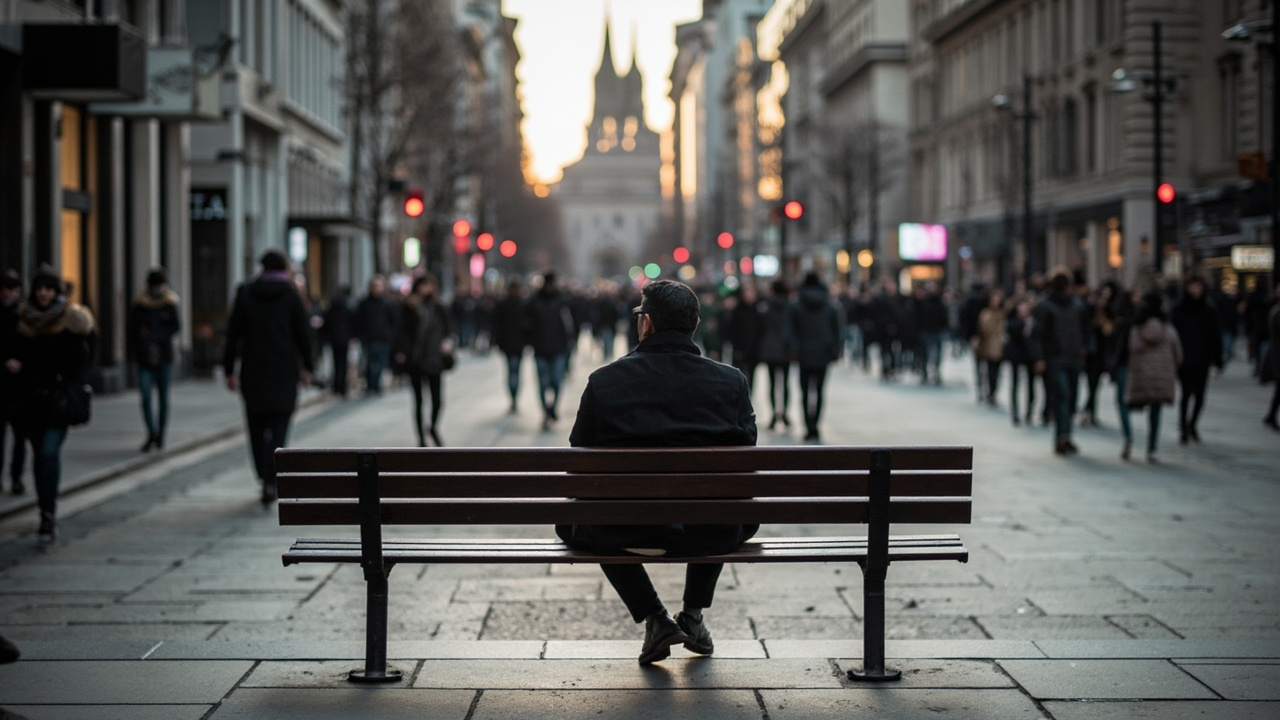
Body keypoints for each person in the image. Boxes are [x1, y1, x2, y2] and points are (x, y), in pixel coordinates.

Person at [561, 279, 756, 665]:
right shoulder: (730, 382)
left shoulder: (605, 382)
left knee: (583, 514)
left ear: (645, 325)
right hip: (711, 531)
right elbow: (744, 461)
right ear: (695, 325)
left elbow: (578, 460)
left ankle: (654, 616)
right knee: (720, 501)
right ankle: (693, 616)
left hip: (623, 528)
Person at [8, 267, 96, 545]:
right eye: (39, 288)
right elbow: (13, 350)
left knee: (48, 452)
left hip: (59, 400)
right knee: (38, 455)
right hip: (31, 400)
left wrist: (76, 386)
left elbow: (88, 355)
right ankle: (45, 511)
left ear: (57, 292)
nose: (43, 293)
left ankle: (49, 513)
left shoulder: (72, 321)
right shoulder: (24, 321)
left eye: (49, 288)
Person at [222, 249, 314, 504]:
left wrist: (229, 369)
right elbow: (304, 336)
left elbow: (233, 335)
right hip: (284, 372)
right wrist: (308, 367)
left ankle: (264, 475)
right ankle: (272, 479)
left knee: (256, 426)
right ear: (284, 269)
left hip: (253, 372)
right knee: (279, 428)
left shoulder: (246, 295)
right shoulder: (292, 297)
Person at [1029, 268, 1090, 455]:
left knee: (1070, 398)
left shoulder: (1076, 305)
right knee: (1063, 397)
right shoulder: (1046, 306)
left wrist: (1085, 348)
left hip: (1070, 357)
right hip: (1056, 358)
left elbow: (1085, 330)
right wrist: (1039, 358)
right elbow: (1037, 335)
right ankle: (1062, 435)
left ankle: (1066, 435)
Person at [393, 274, 455, 447]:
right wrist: (402, 352)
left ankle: (433, 427)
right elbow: (402, 331)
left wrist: (447, 343)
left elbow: (448, 329)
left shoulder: (439, 307)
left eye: (430, 285)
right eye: (423, 285)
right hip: (416, 361)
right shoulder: (409, 307)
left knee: (438, 401)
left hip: (435, 359)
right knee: (419, 401)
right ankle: (420, 437)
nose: (427, 289)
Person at [1121, 291, 1182, 463]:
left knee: (1128, 405)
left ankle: (1129, 437)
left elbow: (1131, 350)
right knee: (1156, 412)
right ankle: (1152, 447)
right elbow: (1178, 354)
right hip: (1162, 378)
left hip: (1140, 376)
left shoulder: (1136, 328)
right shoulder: (1168, 329)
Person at [127, 267, 180, 452]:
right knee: (146, 397)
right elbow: (131, 332)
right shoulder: (140, 305)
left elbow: (175, 326)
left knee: (163, 397)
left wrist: (157, 336)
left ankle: (160, 435)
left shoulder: (169, 304)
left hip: (164, 356)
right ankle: (152, 432)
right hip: (144, 357)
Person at [1170, 276, 1222, 445]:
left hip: (1202, 358)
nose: (1195, 290)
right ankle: (1183, 428)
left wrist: (1218, 359)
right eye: (1193, 287)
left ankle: (1192, 424)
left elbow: (1216, 335)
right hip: (1183, 359)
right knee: (1185, 394)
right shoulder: (1178, 309)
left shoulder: (1209, 310)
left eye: (1198, 287)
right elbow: (1172, 335)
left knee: (1199, 396)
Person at [790, 273, 841, 442]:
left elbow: (790, 330)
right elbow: (838, 329)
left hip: (803, 353)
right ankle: (816, 426)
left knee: (804, 392)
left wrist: (793, 349)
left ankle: (807, 425)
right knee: (819, 391)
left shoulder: (797, 304)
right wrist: (836, 350)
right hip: (823, 353)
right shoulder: (829, 305)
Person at [525, 271, 573, 430]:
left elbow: (569, 324)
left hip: (558, 348)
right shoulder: (534, 302)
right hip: (540, 349)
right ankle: (546, 411)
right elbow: (526, 323)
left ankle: (553, 408)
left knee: (557, 381)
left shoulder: (562, 301)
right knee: (543, 383)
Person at [0, 271, 26, 493]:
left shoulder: (25, 315)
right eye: (4, 289)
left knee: (20, 436)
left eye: (11, 289)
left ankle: (16, 476)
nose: (7, 294)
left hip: (20, 387)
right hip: (3, 384)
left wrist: (21, 363)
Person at [355, 275, 397, 396]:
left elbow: (393, 321)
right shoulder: (365, 303)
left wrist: (390, 335)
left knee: (380, 362)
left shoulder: (387, 304)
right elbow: (359, 321)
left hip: (383, 338)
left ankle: (376, 385)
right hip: (369, 338)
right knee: (369, 362)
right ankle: (370, 385)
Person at [758, 279, 792, 428]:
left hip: (770, 349)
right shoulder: (790, 307)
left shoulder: (766, 307)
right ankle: (784, 412)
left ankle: (773, 413)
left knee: (771, 384)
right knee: (785, 383)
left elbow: (761, 329)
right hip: (786, 350)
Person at [490, 281, 528, 413]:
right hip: (510, 344)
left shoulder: (520, 305)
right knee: (513, 370)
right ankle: (513, 396)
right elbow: (496, 324)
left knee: (513, 371)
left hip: (514, 344)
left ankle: (514, 396)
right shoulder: (514, 305)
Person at [725, 283, 763, 392]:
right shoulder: (737, 312)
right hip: (740, 351)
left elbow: (761, 331)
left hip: (753, 351)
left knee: (751, 378)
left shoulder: (758, 311)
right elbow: (731, 331)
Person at [1004, 296, 1036, 426]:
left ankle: (1029, 412)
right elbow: (1012, 333)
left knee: (1031, 385)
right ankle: (1015, 413)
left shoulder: (1033, 321)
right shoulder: (1013, 321)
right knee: (1015, 384)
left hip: (1030, 356)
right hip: (1016, 355)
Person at [973, 287, 1007, 405]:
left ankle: (993, 392)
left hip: (999, 346)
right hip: (987, 346)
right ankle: (988, 391)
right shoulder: (985, 314)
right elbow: (981, 330)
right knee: (988, 370)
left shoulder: (1003, 313)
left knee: (996, 372)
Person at [322, 286, 355, 397]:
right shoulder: (347, 307)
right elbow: (352, 323)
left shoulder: (331, 308)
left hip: (334, 339)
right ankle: (341, 387)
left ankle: (337, 386)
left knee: (336, 363)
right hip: (344, 339)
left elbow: (326, 323)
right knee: (343, 363)